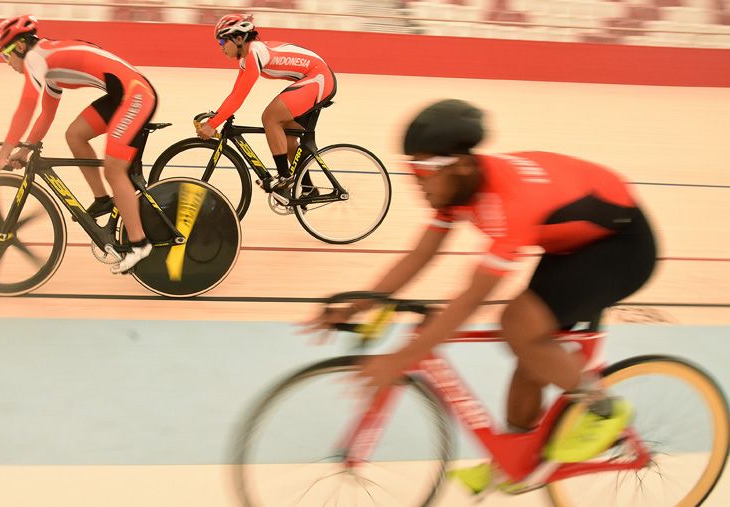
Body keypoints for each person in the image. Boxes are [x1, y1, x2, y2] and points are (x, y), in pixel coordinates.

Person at [305, 99, 657, 494]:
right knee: (532, 350)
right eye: (410, 170)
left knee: (519, 325)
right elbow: (421, 254)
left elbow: (472, 297)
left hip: (622, 245)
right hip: (572, 245)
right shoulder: (458, 190)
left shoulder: (511, 200)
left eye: (422, 171)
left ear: (460, 165)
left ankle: (603, 410)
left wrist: (401, 359)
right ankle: (519, 460)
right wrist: (360, 302)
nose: (415, 181)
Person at [0, 14, 156, 274]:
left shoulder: (35, 58)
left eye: (5, 55)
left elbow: (26, 106)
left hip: (135, 95)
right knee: (75, 135)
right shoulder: (46, 62)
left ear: (19, 47)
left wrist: (3, 153)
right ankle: (102, 200)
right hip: (122, 93)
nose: (6, 63)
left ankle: (139, 244)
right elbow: (46, 113)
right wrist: (25, 148)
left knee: (114, 169)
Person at [195, 14, 336, 201]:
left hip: (318, 78)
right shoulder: (247, 58)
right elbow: (235, 93)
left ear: (238, 38)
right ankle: (308, 188)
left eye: (222, 40)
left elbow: (239, 97)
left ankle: (284, 179)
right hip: (313, 78)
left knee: (270, 117)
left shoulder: (255, 53)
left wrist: (213, 123)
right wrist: (216, 117)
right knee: (289, 139)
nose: (220, 46)